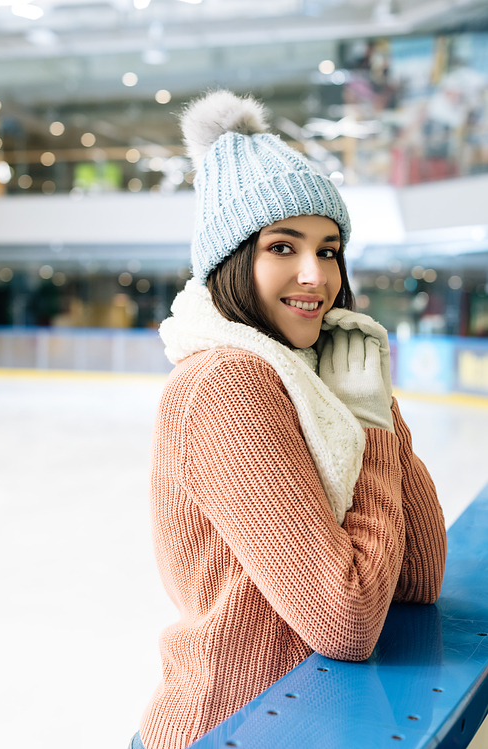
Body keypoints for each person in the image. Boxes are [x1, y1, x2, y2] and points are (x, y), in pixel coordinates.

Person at [129, 90, 447, 749]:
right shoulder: (227, 381)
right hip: (228, 725)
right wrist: (367, 425)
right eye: (283, 246)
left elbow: (417, 576)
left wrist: (374, 407)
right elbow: (349, 619)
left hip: (302, 720)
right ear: (231, 260)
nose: (315, 275)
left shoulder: (305, 375)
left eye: (329, 250)